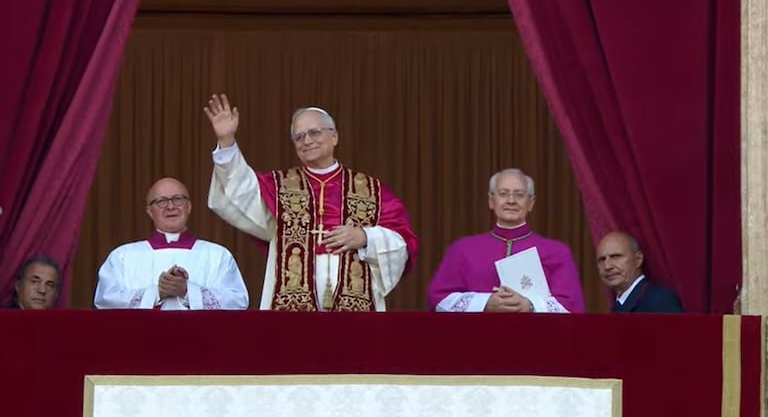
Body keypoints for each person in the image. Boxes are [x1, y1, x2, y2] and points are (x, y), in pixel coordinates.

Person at [205, 94, 418, 311]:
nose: (307, 141)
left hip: (355, 312)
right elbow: (238, 192)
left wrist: (365, 237)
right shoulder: (277, 187)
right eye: (299, 137)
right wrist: (226, 141)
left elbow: (402, 243)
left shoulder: (373, 192)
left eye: (314, 132)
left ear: (334, 137)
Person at [428, 168, 584, 313]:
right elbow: (438, 298)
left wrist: (529, 304)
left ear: (531, 203)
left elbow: (571, 304)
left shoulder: (557, 252)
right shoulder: (462, 249)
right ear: (491, 200)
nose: (511, 200)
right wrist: (486, 302)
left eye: (519, 194)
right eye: (503, 193)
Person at [94, 177, 248, 310]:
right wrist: (157, 293)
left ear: (189, 207)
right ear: (149, 211)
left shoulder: (217, 255)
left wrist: (187, 291)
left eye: (178, 199)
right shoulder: (123, 256)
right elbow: (105, 300)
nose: (170, 206)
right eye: (161, 201)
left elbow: (238, 301)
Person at [596, 231, 683, 313]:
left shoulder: (660, 300)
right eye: (602, 259)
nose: (607, 266)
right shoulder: (617, 307)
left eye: (616, 256)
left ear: (638, 260)